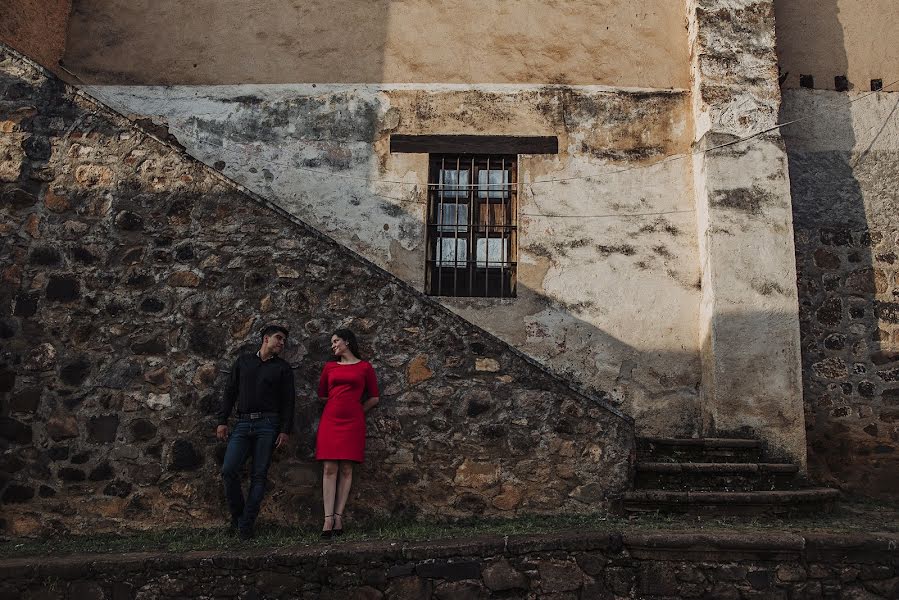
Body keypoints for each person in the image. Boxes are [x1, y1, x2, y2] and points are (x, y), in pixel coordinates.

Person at [216, 324, 295, 540]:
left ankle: (246, 526)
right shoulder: (243, 362)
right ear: (266, 338)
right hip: (242, 424)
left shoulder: (283, 368)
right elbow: (230, 392)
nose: (281, 343)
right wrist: (222, 421)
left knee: (258, 475)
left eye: (284, 341)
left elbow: (289, 402)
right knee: (228, 470)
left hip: (268, 425)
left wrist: (285, 430)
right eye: (279, 338)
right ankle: (239, 517)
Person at [315, 328, 379, 538]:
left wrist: (357, 410)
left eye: (336, 341)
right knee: (329, 467)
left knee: (347, 469)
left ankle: (339, 516)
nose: (333, 345)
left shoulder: (365, 367)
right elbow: (322, 394)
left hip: (353, 422)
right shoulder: (329, 367)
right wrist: (338, 405)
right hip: (331, 420)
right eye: (332, 342)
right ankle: (327, 519)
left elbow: (374, 397)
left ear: (347, 342)